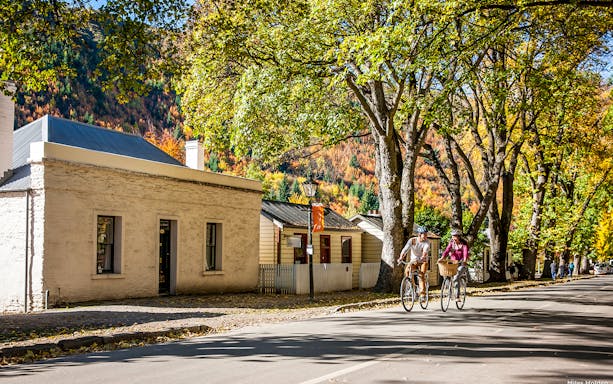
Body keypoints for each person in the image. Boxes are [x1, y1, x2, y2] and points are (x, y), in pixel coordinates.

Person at [397, 226, 430, 298]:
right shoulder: (412, 240)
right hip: (414, 260)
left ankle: (422, 293)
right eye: (424, 234)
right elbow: (405, 249)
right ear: (419, 234)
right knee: (407, 271)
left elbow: (425, 250)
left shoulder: (427, 242)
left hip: (423, 261)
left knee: (421, 275)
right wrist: (401, 257)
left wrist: (423, 257)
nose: (426, 236)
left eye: (426, 234)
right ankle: (412, 288)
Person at [438, 230, 469, 301]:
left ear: (459, 237)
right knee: (445, 275)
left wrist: (464, 260)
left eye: (455, 236)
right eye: (452, 236)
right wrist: (442, 258)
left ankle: (457, 296)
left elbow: (465, 253)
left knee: (456, 277)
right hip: (453, 263)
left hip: (461, 264)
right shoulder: (451, 243)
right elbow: (446, 251)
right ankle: (450, 293)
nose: (453, 238)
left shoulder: (464, 244)